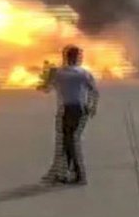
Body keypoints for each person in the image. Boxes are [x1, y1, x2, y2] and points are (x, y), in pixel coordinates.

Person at [41, 44, 98, 185]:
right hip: (80, 109)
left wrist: (48, 75)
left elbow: (45, 89)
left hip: (68, 109)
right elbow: (94, 91)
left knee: (69, 141)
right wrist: (92, 106)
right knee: (69, 141)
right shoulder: (84, 73)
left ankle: (77, 174)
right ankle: (65, 173)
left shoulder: (59, 73)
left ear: (65, 57)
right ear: (78, 57)